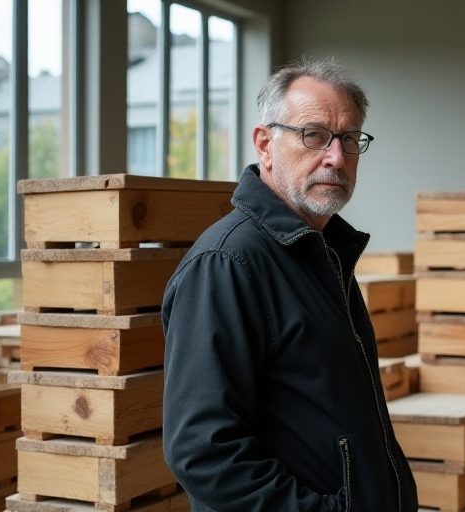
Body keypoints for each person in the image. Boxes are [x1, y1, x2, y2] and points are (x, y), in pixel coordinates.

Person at [161, 58, 418, 512]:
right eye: (314, 135)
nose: (336, 157)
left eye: (350, 139)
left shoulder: (326, 251)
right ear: (265, 144)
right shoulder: (227, 264)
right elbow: (204, 453)